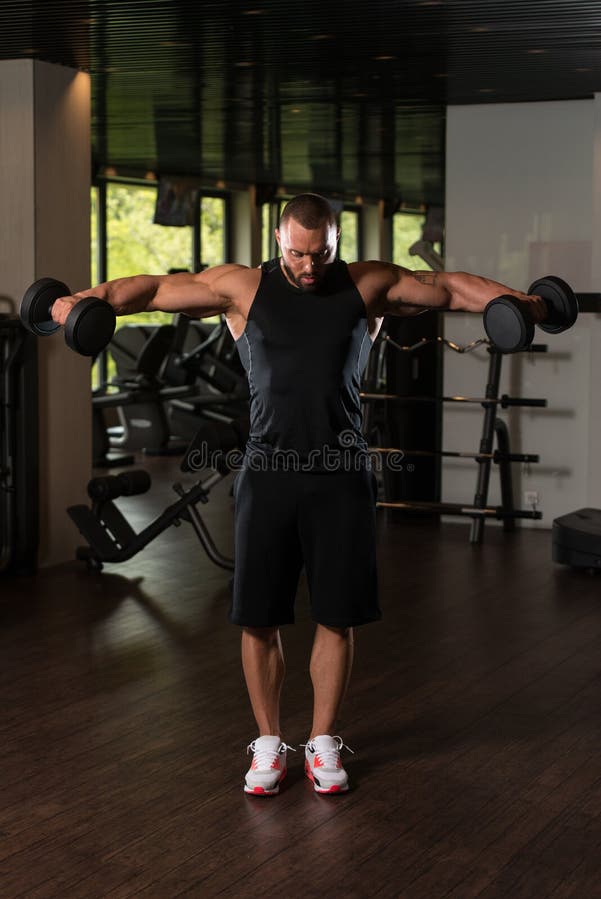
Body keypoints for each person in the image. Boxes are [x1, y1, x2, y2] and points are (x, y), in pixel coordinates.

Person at [52, 193, 545, 796]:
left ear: (335, 244)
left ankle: (323, 740)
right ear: (277, 240)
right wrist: (77, 302)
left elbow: (446, 288)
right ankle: (267, 742)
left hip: (342, 475)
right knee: (258, 617)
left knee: (337, 615)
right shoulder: (241, 287)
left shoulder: (367, 285)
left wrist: (521, 303)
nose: (308, 266)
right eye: (295, 254)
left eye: (320, 255)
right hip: (269, 472)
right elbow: (153, 288)